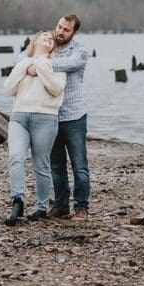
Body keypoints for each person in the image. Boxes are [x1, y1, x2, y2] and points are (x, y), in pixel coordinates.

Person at [29, 13, 90, 221]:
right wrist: (38, 58)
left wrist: (39, 64)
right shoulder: (48, 44)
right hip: (50, 115)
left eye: (66, 29)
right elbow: (20, 58)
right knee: (56, 165)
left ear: (74, 32)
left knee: (79, 165)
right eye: (59, 27)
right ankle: (61, 206)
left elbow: (68, 64)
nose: (60, 32)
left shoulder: (79, 51)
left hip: (74, 115)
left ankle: (81, 207)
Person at [2, 31, 66, 226]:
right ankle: (17, 200)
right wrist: (28, 65)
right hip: (19, 117)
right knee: (15, 157)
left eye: (52, 39)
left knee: (41, 164)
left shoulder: (57, 65)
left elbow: (56, 88)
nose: (49, 38)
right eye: (44, 35)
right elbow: (9, 88)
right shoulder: (24, 63)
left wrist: (40, 64)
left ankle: (41, 207)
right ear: (35, 40)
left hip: (45, 118)